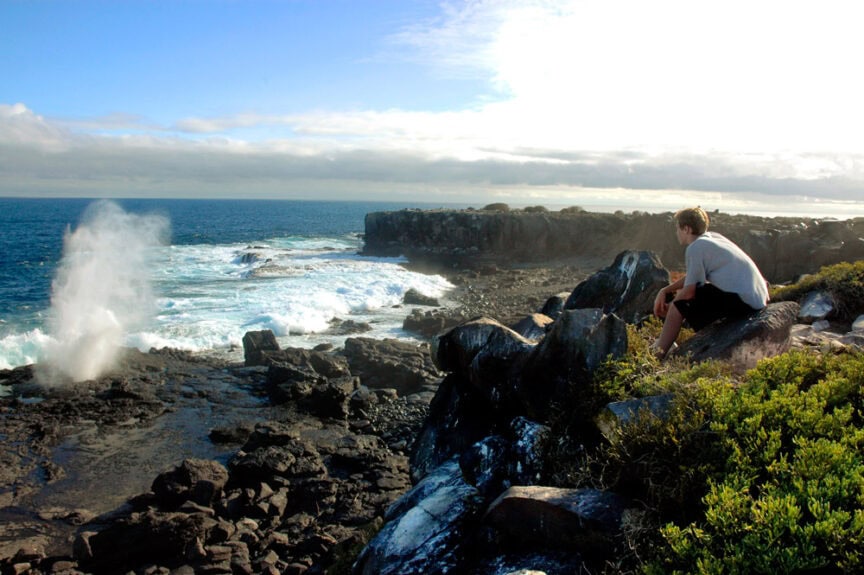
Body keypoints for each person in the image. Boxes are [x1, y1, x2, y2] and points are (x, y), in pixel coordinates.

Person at [652, 207, 769, 358]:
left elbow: (689, 292)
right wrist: (666, 290)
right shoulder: (713, 238)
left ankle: (657, 354)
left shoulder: (695, 248)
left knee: (679, 303)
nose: (676, 233)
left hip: (745, 303)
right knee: (689, 295)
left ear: (686, 229)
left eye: (678, 228)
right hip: (756, 298)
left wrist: (671, 308)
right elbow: (693, 276)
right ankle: (664, 345)